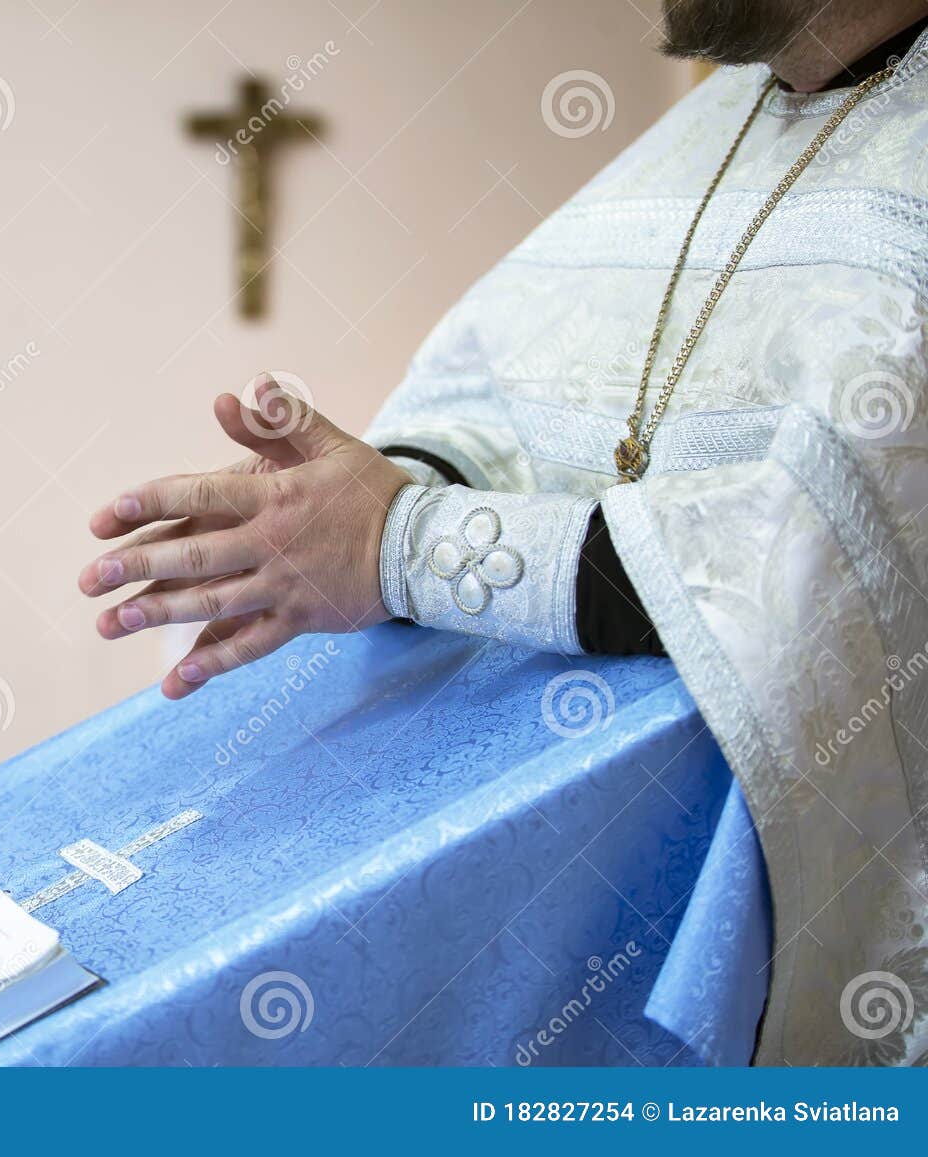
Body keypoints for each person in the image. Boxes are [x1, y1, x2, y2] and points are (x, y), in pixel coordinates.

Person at [80, 0, 928, 1065]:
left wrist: (406, 542)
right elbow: (512, 391)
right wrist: (355, 500)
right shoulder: (706, 129)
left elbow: (841, 561)